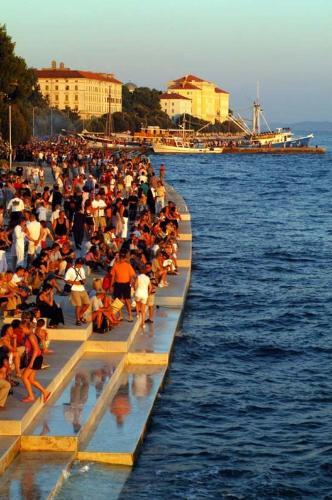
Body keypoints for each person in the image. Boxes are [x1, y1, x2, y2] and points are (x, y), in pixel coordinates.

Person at [21, 320, 51, 404]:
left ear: (26, 328)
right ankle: (45, 392)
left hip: (35, 358)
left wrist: (31, 362)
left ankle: (31, 396)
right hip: (37, 358)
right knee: (31, 379)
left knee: (24, 377)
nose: (21, 330)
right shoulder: (29, 335)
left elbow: (36, 349)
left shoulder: (31, 336)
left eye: (21, 328)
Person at [110, 251, 136, 322]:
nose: (121, 259)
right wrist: (111, 286)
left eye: (123, 258)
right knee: (117, 300)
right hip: (117, 284)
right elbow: (113, 276)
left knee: (127, 300)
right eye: (120, 258)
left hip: (126, 284)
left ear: (124, 258)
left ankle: (130, 316)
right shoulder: (115, 265)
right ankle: (120, 315)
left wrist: (131, 283)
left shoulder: (128, 265)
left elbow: (132, 275)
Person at [64, 258, 90, 326]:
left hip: (82, 288)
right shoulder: (70, 270)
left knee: (87, 304)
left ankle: (80, 315)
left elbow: (84, 277)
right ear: (76, 263)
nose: (81, 265)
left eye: (81, 264)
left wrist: (84, 281)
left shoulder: (81, 269)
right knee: (78, 305)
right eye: (80, 264)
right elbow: (66, 280)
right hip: (74, 289)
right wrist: (75, 282)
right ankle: (77, 320)